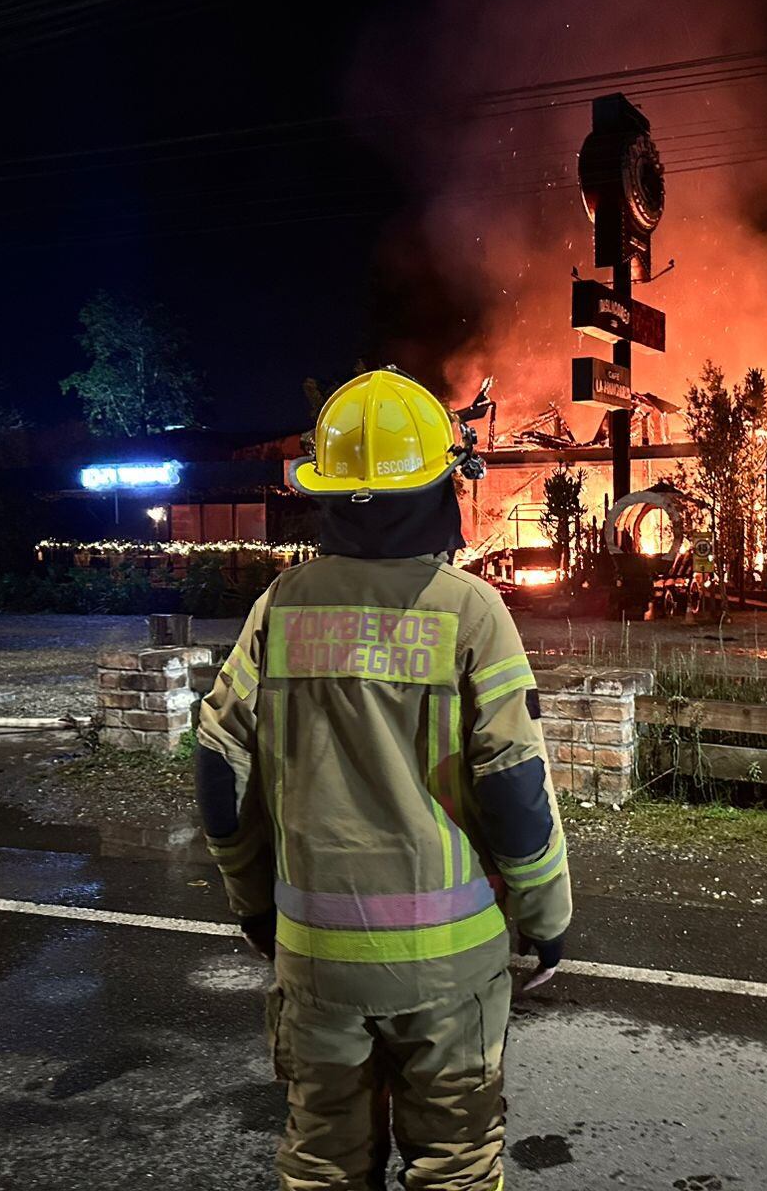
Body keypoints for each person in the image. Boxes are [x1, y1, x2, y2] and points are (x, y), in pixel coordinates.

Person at [195, 368, 570, 1191]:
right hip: (450, 969)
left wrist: (256, 903)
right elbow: (514, 786)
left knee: (324, 1164)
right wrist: (547, 917)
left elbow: (219, 770)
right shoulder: (471, 611)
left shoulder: (281, 606)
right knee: (456, 1167)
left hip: (316, 962)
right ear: (442, 486)